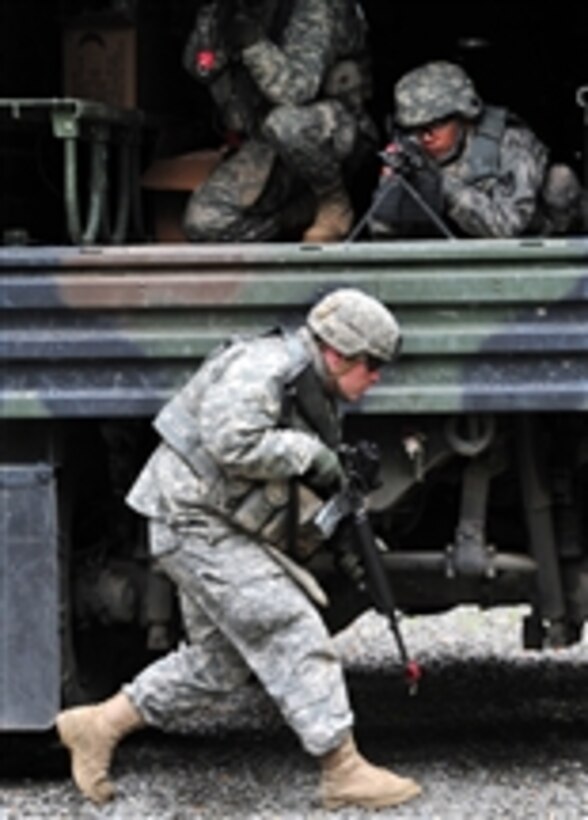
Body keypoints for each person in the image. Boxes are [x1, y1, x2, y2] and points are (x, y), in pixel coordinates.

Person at [55, 288, 422, 811]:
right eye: (372, 364)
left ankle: (97, 726)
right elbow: (231, 442)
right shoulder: (264, 366)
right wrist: (312, 454)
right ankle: (342, 768)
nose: (377, 377)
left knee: (218, 663)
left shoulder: (311, 384)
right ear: (339, 353)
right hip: (195, 520)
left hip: (213, 521)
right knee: (289, 624)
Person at [180, 0, 378, 243]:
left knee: (285, 123)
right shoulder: (240, 10)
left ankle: (333, 202)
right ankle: (297, 214)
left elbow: (296, 91)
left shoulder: (316, 7)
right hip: (269, 142)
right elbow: (201, 69)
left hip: (333, 135)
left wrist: (253, 43)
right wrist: (210, 19)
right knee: (204, 221)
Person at [368, 60, 583, 239]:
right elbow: (381, 230)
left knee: (560, 181)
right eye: (414, 128)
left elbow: (508, 227)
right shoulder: (410, 149)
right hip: (453, 244)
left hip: (529, 239)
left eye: (436, 124)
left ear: (464, 118)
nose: (425, 137)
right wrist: (395, 190)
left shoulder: (509, 142)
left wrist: (442, 186)